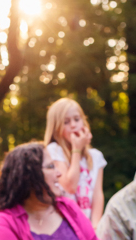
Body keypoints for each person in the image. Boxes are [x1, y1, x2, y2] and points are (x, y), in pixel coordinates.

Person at [45, 98, 107, 230]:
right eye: (66, 122)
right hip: (65, 226)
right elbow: (69, 186)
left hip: (89, 226)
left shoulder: (96, 157)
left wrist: (96, 227)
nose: (73, 125)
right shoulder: (54, 151)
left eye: (77, 119)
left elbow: (97, 194)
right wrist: (76, 150)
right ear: (56, 128)